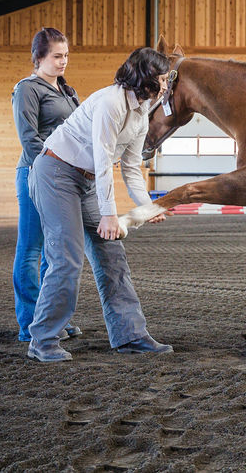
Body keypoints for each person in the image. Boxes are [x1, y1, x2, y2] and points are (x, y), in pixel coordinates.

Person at [26, 46, 173, 362]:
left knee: (112, 254)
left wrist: (148, 206)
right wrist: (108, 214)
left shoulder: (141, 112)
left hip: (88, 179)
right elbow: (104, 160)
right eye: (162, 78)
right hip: (56, 172)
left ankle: (130, 335)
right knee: (66, 256)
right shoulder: (110, 103)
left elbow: (132, 166)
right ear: (146, 78)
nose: (165, 84)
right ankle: (43, 340)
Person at [11, 27, 83, 343]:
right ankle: (29, 323)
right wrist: (58, 166)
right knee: (30, 249)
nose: (63, 61)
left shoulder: (68, 92)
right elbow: (29, 140)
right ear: (40, 57)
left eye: (66, 55)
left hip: (64, 180)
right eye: (57, 56)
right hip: (35, 175)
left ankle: (49, 320)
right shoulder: (28, 89)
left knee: (53, 253)